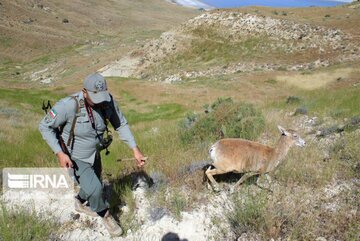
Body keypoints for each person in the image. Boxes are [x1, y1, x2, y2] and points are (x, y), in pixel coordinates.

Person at [39, 73, 146, 237]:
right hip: (75, 156)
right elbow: (44, 127)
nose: (100, 101)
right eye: (95, 96)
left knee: (93, 182)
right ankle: (106, 216)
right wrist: (59, 153)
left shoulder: (108, 102)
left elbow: (121, 124)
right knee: (96, 189)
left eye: (102, 96)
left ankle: (79, 202)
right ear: (85, 91)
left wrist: (135, 149)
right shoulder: (68, 105)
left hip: (95, 153)